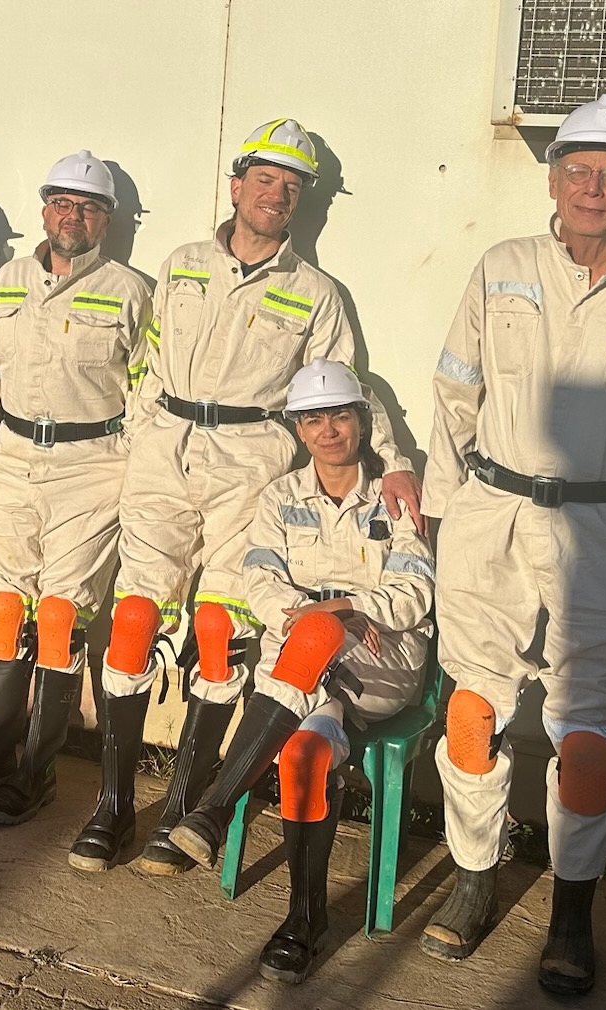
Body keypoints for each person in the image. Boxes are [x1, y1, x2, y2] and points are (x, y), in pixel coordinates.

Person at [69, 118, 424, 876]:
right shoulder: (184, 263)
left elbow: (348, 389)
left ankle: (180, 815)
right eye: (265, 179)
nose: (277, 194)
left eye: (293, 187)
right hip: (165, 449)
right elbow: (145, 360)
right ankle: (112, 806)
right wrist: (139, 437)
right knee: (132, 620)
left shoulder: (316, 292)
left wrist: (391, 459)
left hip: (252, 459)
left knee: (222, 630)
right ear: (236, 186)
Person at [419, 94, 606, 996]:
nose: (594, 188)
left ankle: (571, 916)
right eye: (579, 170)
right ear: (553, 177)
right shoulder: (502, 265)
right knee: (473, 717)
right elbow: (452, 391)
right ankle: (475, 883)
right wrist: (442, 510)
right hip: (492, 518)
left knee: (585, 744)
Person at [162, 358, 433, 983]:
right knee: (305, 754)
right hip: (306, 673)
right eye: (314, 418)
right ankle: (304, 921)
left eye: (340, 414)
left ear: (362, 422)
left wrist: (338, 611)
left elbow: (414, 594)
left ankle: (214, 806)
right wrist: (319, 617)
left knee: (314, 632)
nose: (328, 429)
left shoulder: (394, 497)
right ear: (298, 428)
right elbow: (258, 585)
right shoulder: (281, 496)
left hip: (379, 661)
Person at [0, 151, 152, 823]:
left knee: (59, 617)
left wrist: (138, 477)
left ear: (107, 220)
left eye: (88, 207)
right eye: (62, 203)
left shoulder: (129, 290)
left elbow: (146, 392)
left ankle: (37, 767)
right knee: (3, 608)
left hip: (91, 465)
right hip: (16, 456)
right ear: (44, 208)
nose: (72, 216)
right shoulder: (8, 279)